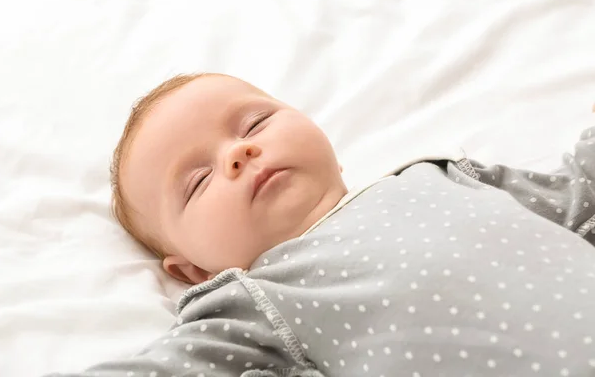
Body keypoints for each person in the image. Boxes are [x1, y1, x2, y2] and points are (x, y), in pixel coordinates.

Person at [46, 73, 595, 377]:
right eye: (197, 182)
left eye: (255, 122)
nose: (239, 152)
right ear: (191, 269)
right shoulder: (260, 298)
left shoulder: (437, 177)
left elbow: (578, 193)